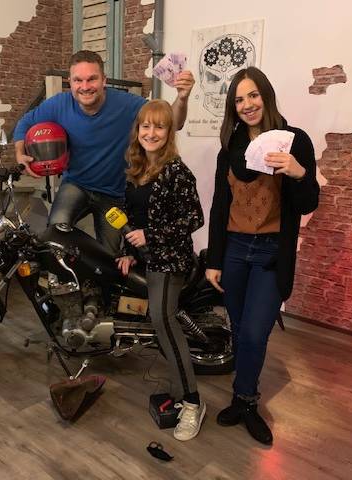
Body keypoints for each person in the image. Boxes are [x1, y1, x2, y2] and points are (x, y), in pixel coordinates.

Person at [205, 67, 320, 445]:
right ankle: (242, 398)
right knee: (239, 330)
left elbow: (307, 204)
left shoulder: (295, 140)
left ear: (266, 96)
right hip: (235, 249)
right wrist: (214, 260)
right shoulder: (230, 149)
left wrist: (299, 173)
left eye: (253, 95)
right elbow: (219, 207)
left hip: (271, 251)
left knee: (256, 332)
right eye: (239, 99)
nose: (247, 104)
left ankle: (247, 400)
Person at [13, 50, 195, 255]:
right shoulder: (58, 104)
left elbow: (172, 122)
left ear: (104, 80)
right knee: (54, 235)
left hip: (115, 193)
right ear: (70, 82)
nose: (85, 86)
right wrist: (20, 152)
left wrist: (182, 98)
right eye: (78, 80)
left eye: (92, 79)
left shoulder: (127, 104)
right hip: (76, 184)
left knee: (109, 256)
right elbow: (25, 122)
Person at [116, 99, 205, 441]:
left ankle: (193, 403)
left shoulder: (176, 171)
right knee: (158, 324)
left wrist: (150, 235)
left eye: (159, 126)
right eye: (146, 126)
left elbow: (194, 218)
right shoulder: (136, 170)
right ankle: (180, 391)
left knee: (163, 321)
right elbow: (132, 218)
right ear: (137, 130)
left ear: (169, 132)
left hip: (170, 260)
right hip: (147, 258)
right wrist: (129, 251)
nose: (151, 133)